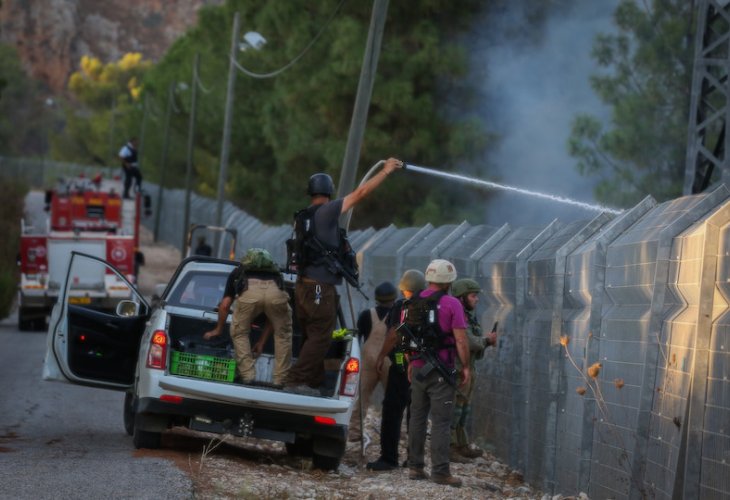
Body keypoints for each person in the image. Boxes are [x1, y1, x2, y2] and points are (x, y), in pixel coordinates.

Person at [284, 158, 403, 394]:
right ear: (328, 192)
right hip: (320, 288)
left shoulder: (302, 217)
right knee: (321, 336)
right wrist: (385, 172)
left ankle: (314, 383)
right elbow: (361, 193)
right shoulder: (327, 211)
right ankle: (295, 380)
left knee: (311, 336)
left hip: (302, 287)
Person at [405, 259, 470, 488]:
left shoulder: (413, 301)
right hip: (442, 369)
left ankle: (415, 467)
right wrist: (466, 366)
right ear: (449, 281)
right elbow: (461, 339)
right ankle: (440, 472)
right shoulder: (452, 303)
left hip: (419, 368)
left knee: (417, 417)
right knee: (442, 421)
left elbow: (406, 335)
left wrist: (411, 362)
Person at [203, 248, 292, 386]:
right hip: (276, 295)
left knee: (239, 333)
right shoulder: (276, 275)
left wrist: (218, 329)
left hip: (249, 295)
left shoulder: (238, 272)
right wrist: (261, 342)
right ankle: (280, 379)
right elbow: (273, 318)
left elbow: (225, 305)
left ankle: (247, 375)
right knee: (283, 335)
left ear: (246, 259)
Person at [366, 269, 427, 472]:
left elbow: (393, 334)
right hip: (425, 366)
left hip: (402, 363)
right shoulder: (432, 305)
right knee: (416, 413)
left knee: (392, 409)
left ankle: (388, 458)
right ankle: (414, 459)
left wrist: (382, 356)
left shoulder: (402, 306)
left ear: (406, 289)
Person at [449, 278, 497, 462]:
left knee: (464, 407)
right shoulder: (459, 315)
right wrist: (487, 340)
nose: (476, 299)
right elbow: (468, 341)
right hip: (458, 367)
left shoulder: (467, 315)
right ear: (461, 298)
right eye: (472, 296)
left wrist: (484, 341)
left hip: (468, 366)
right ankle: (450, 446)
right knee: (456, 408)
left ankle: (462, 444)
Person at [348, 281, 397, 441]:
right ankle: (390, 434)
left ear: (376, 298)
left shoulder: (365, 315)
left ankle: (354, 432)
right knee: (392, 401)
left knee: (362, 398)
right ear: (394, 298)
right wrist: (402, 362)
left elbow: (357, 338)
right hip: (390, 362)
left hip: (368, 360)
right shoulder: (398, 316)